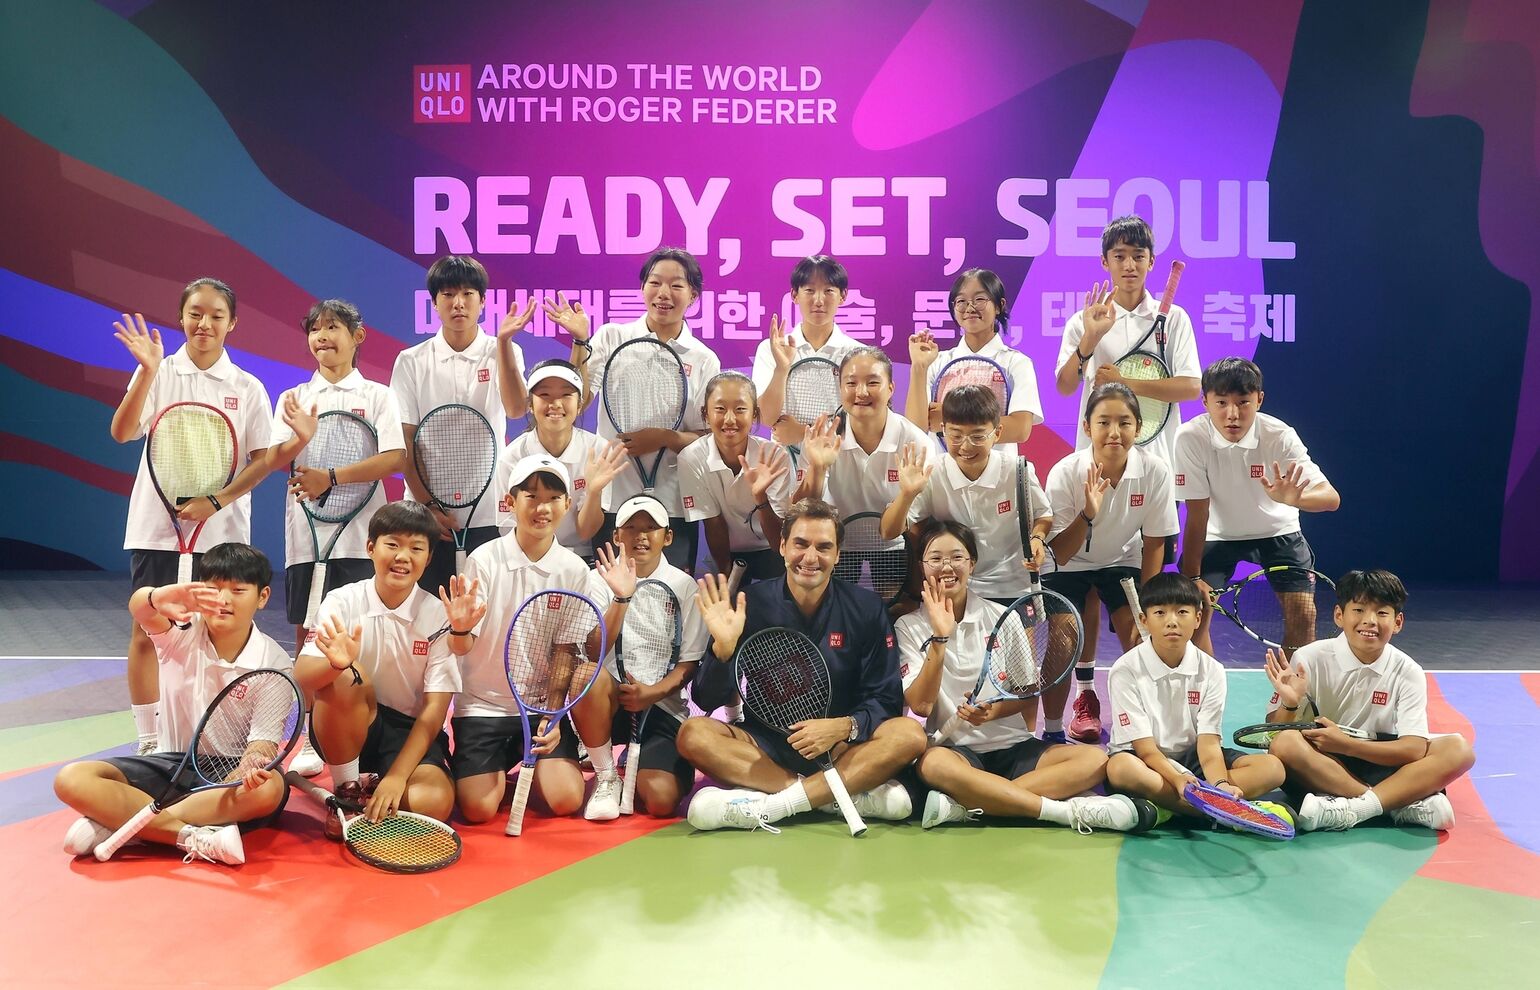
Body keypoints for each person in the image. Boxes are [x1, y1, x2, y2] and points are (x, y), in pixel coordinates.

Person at [678, 498, 927, 831]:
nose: (810, 558)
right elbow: (706, 700)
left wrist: (844, 726)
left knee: (909, 734)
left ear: (838, 555)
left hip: (843, 748)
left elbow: (886, 700)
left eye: (824, 547)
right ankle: (828, 797)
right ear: (782, 547)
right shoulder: (747, 605)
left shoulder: (865, 607)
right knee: (693, 734)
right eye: (800, 544)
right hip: (768, 747)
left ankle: (778, 805)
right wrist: (723, 649)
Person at [900, 521, 1157, 833]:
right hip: (956, 750)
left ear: (972, 564)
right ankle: (1061, 812)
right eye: (936, 559)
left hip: (1014, 747)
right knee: (933, 765)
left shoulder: (1002, 617)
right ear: (922, 566)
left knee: (1094, 760)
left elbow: (1027, 692)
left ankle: (974, 802)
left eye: (957, 557)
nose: (947, 567)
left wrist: (993, 711)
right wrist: (940, 639)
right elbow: (922, 706)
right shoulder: (908, 626)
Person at [109, 278, 274, 756]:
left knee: (213, 633)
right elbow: (122, 432)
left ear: (232, 323)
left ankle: (205, 737)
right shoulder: (159, 374)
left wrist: (216, 501)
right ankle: (149, 739)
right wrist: (145, 371)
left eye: (216, 315)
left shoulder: (247, 387)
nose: (204, 323)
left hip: (220, 534)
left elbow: (262, 459)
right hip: (158, 528)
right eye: (195, 313)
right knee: (147, 628)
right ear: (181, 317)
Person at [54, 544, 292, 865]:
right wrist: (156, 597)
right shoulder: (182, 631)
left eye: (237, 590)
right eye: (213, 589)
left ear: (262, 597)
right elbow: (141, 611)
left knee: (270, 789)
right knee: (71, 778)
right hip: (170, 764)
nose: (223, 601)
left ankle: (122, 824)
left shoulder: (274, 662)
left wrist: (251, 766)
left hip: (227, 773)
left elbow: (263, 743)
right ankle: (190, 836)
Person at [441, 455, 629, 824]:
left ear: (566, 504)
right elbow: (460, 648)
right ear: (511, 503)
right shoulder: (484, 560)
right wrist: (459, 629)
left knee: (565, 800)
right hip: (484, 706)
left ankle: (524, 766)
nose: (542, 507)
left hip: (539, 706)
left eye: (552, 498)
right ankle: (481, 771)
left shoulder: (573, 569)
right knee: (478, 810)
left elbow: (565, 650)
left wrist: (555, 717)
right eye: (531, 496)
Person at [265, 300, 407, 780]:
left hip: (359, 537)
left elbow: (393, 458)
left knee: (359, 637)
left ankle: (359, 731)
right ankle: (308, 735)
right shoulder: (294, 397)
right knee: (307, 636)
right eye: (316, 330)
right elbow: (275, 457)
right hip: (307, 538)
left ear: (358, 335)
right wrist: (300, 452)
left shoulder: (378, 396)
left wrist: (332, 476)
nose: (323, 337)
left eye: (333, 328)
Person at [292, 502, 461, 832]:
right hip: (348, 720)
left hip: (408, 731)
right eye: (393, 544)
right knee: (344, 677)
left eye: (416, 548)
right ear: (371, 547)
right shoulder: (343, 600)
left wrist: (397, 778)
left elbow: (435, 711)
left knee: (433, 803)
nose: (402, 557)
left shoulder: (439, 615)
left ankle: (375, 781)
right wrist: (333, 666)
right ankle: (347, 791)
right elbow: (303, 674)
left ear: (427, 559)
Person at [1265, 569, 1474, 832]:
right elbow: (1273, 736)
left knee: (1459, 749)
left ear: (1398, 622)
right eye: (1359, 610)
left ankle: (1352, 810)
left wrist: (1348, 745)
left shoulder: (1407, 670)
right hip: (1321, 761)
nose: (1370, 621)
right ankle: (1398, 805)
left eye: (1382, 613)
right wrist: (1290, 704)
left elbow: (1412, 749)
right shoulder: (1309, 658)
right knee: (1285, 743)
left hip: (1377, 756)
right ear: (1339, 616)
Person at [1174, 358, 1340, 656]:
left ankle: (1290, 696)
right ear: (1205, 402)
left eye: (1243, 402)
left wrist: (1295, 500)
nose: (1232, 414)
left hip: (1278, 531)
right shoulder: (1191, 437)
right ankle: (1203, 693)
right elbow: (1197, 514)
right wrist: (1195, 578)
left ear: (1259, 400)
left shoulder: (1279, 436)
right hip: (1216, 534)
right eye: (1221, 402)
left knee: (1304, 615)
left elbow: (1330, 498)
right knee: (1191, 613)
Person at [390, 255, 536, 595]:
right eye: (448, 294)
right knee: (427, 613)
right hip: (424, 512)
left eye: (468, 294)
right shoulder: (411, 361)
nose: (458, 303)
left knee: (483, 610)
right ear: (435, 303)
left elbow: (516, 409)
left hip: (488, 509)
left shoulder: (502, 351)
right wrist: (428, 505)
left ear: (482, 302)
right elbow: (405, 443)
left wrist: (503, 346)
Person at [1040, 383, 1178, 744]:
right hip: (1068, 564)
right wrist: (1088, 514)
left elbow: (1154, 543)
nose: (1114, 432)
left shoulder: (1155, 472)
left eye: (1125, 422)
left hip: (1123, 558)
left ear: (1138, 427)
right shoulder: (1066, 473)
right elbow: (1062, 553)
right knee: (1063, 639)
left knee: (1142, 637)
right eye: (1104, 422)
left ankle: (1141, 729)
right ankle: (1054, 731)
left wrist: (1149, 607)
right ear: (1087, 427)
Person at [569, 247, 721, 573]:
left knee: (668, 600)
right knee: (614, 599)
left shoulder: (704, 358)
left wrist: (665, 437)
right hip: (613, 498)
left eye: (677, 285)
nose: (664, 293)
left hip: (674, 502)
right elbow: (577, 400)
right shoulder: (612, 337)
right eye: (655, 283)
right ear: (642, 288)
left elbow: (709, 437)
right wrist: (580, 343)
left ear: (693, 295)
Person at [1104, 574, 1287, 825]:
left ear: (1198, 618)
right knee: (1120, 769)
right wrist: (1177, 778)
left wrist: (1221, 783)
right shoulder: (1125, 670)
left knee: (1273, 768)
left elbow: (1209, 743)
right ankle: (1222, 813)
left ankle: (1172, 806)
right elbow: (1146, 749)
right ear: (1144, 621)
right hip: (1143, 759)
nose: (1171, 622)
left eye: (1182, 612)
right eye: (1160, 613)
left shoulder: (1211, 670)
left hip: (1194, 757)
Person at [573, 495, 708, 820]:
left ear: (668, 536)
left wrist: (653, 692)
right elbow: (593, 651)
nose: (641, 535)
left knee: (661, 801)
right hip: (607, 700)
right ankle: (606, 775)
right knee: (584, 677)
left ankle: (637, 763)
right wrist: (620, 597)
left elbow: (689, 663)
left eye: (651, 527)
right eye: (631, 528)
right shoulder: (597, 579)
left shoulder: (685, 586)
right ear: (617, 536)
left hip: (660, 704)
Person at [882, 386, 1052, 606]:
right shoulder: (932, 472)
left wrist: (1037, 538)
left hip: (1012, 585)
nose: (966, 445)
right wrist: (906, 494)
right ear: (942, 430)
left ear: (997, 433)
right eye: (956, 435)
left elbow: (1044, 516)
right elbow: (888, 532)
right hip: (954, 586)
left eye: (978, 436)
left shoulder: (1017, 470)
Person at [491, 360, 625, 562]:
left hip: (580, 558)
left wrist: (594, 492)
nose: (555, 404)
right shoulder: (512, 458)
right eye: (544, 395)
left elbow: (586, 531)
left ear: (580, 405)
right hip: (526, 557)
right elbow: (507, 528)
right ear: (530, 404)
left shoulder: (597, 450)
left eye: (566, 395)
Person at [905, 267, 1041, 450]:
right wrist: (919, 367)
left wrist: (947, 418)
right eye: (961, 301)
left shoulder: (1016, 362)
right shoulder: (937, 362)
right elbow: (915, 427)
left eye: (979, 299)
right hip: (943, 471)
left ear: (999, 305)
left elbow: (1020, 429)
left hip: (999, 472)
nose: (969, 308)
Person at [677, 372, 794, 583]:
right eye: (720, 409)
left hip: (773, 549)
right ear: (705, 414)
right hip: (727, 552)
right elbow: (714, 523)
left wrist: (760, 498)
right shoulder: (691, 458)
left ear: (755, 414)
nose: (730, 419)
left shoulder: (774, 455)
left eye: (740, 409)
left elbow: (780, 542)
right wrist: (727, 578)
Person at [752, 254, 862, 450]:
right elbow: (767, 418)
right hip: (785, 465)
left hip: (839, 461)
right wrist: (781, 368)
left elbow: (863, 421)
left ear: (843, 296)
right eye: (809, 290)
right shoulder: (771, 349)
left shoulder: (857, 354)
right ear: (794, 295)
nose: (818, 300)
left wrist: (804, 432)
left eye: (828, 291)